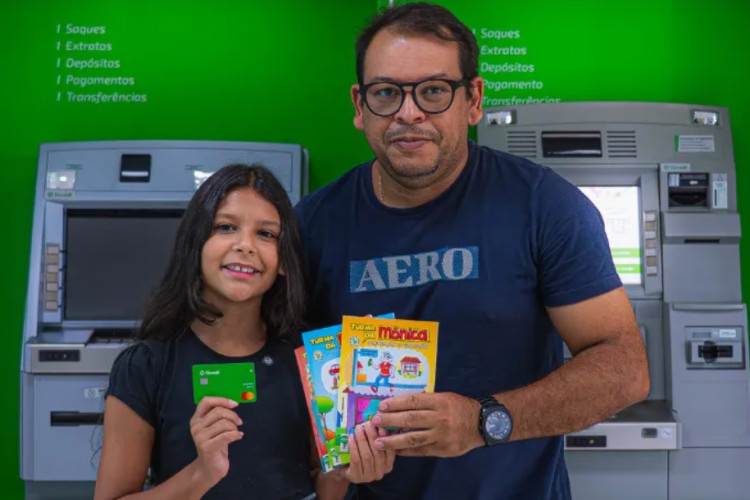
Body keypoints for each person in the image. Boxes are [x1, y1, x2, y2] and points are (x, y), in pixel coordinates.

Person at [294, 3, 650, 500]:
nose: (409, 113)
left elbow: (625, 369)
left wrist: (482, 421)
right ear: (360, 104)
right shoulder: (312, 224)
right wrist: (330, 468)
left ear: (474, 99)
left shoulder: (544, 206)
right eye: (386, 92)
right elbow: (281, 376)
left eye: (434, 90)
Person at [94, 164, 394, 500]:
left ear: (284, 260)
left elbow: (323, 486)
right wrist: (202, 473)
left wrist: (342, 473)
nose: (245, 245)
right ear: (195, 244)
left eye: (266, 234)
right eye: (226, 227)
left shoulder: (312, 360)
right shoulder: (145, 367)